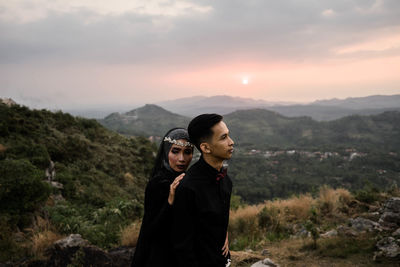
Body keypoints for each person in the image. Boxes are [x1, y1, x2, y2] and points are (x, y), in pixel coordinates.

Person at [172, 114, 234, 267]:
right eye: (223, 137)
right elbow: (182, 245)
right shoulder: (188, 188)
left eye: (229, 135)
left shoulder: (226, 180)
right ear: (205, 147)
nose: (231, 142)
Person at [131, 128, 194, 267]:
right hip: (159, 257)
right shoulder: (158, 184)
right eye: (175, 151)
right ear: (166, 152)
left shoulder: (188, 182)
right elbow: (151, 228)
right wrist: (170, 201)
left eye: (187, 152)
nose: (182, 159)